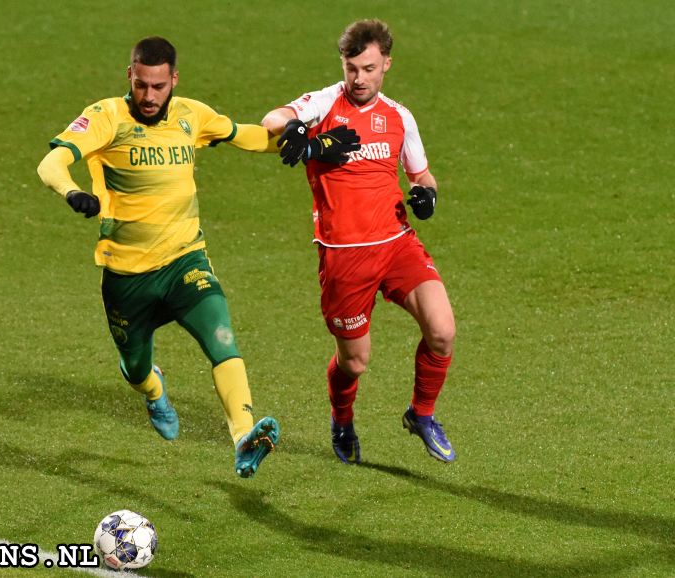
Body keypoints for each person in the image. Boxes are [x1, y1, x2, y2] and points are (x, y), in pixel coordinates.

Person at [37, 36, 289, 478]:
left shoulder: (193, 115)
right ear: (129, 77)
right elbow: (50, 163)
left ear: (173, 80)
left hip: (183, 260)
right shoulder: (106, 118)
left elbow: (248, 136)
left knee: (223, 340)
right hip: (126, 274)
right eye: (141, 86)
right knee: (135, 368)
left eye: (158, 86)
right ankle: (154, 391)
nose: (149, 96)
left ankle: (244, 437)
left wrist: (306, 141)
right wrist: (71, 191)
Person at [262, 19, 457, 464]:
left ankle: (421, 414)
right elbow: (274, 118)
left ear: (386, 63)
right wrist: (293, 130)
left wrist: (427, 194)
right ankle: (343, 419)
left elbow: (421, 173)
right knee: (354, 362)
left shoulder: (399, 116)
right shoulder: (327, 102)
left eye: (368, 68)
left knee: (442, 332)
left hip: (396, 245)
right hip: (344, 256)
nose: (359, 79)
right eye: (351, 68)